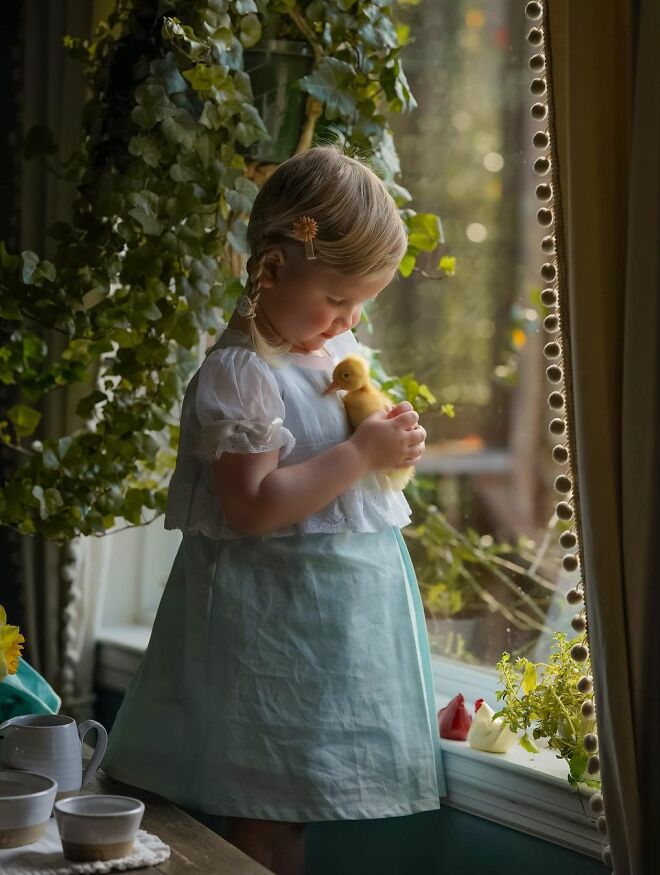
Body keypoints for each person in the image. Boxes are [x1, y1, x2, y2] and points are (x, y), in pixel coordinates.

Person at [101, 144, 447, 875]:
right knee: (258, 810)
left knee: (292, 810)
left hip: (329, 630)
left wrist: (391, 442)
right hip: (268, 628)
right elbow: (252, 506)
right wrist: (360, 454)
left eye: (360, 305)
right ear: (272, 269)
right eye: (337, 299)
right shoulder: (244, 372)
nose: (347, 318)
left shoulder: (330, 351)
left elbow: (350, 473)